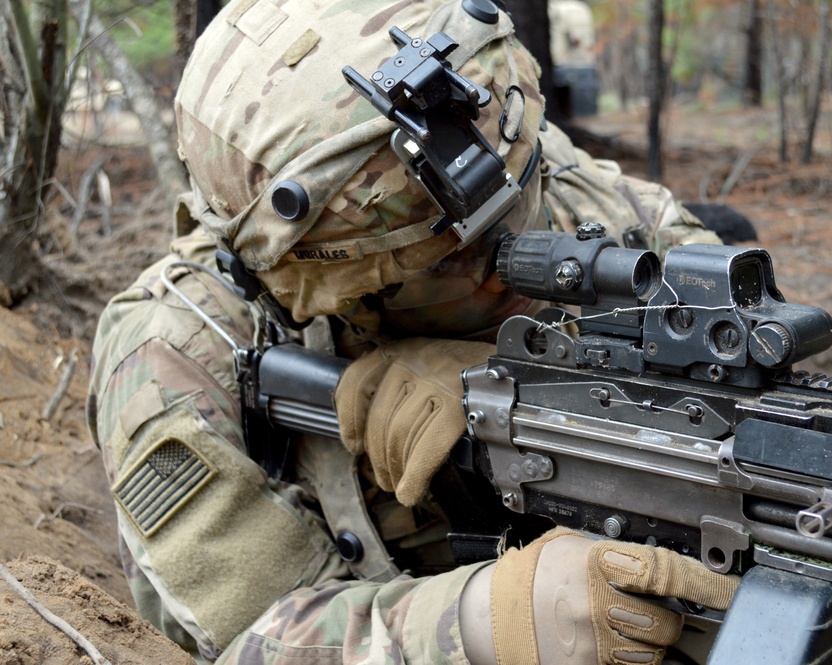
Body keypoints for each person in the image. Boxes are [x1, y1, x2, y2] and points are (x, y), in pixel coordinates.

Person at [86, 1, 734, 663]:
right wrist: (488, 617)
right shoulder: (172, 352)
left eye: (521, 201)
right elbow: (242, 633)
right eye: (447, 261)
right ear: (302, 282)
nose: (504, 264)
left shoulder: (586, 200)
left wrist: (518, 384)